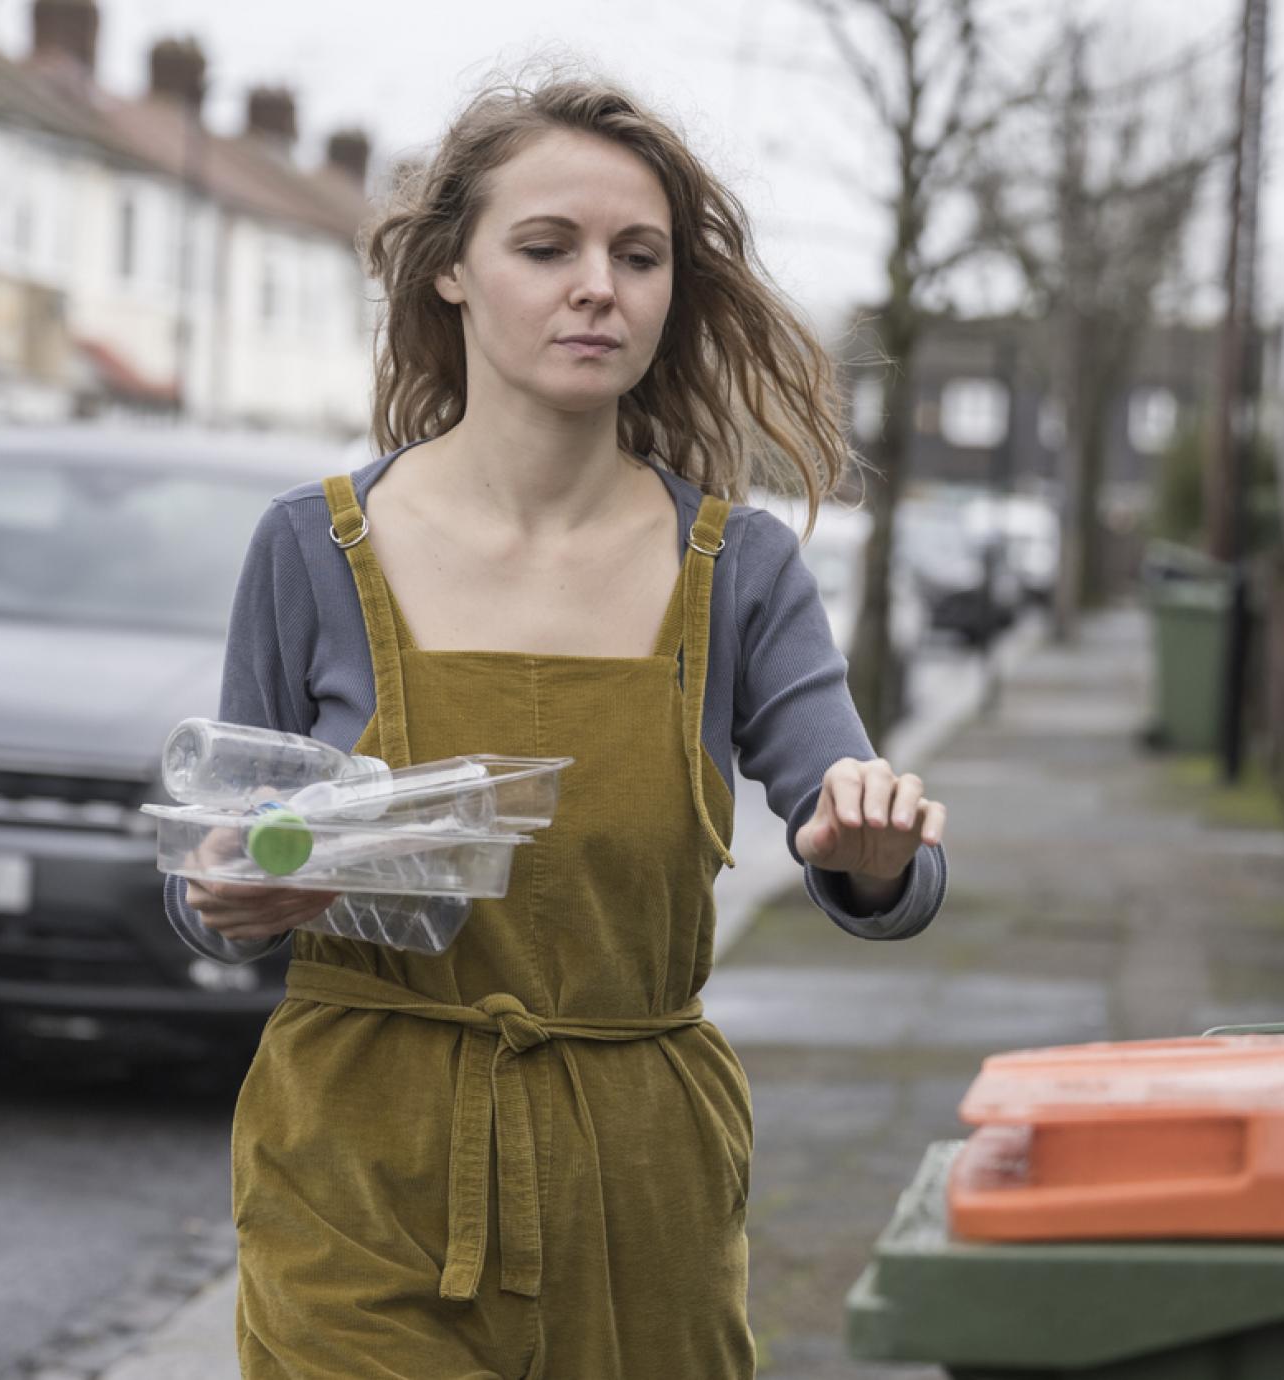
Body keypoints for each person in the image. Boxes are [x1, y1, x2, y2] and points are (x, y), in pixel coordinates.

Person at [161, 74, 950, 1379]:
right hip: (356, 1171)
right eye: (548, 247)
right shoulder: (311, 550)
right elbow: (222, 859)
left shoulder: (736, 570)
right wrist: (230, 894)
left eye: (639, 257)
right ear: (453, 272)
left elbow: (877, 857)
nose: (601, 286)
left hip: (639, 1184)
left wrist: (870, 848)